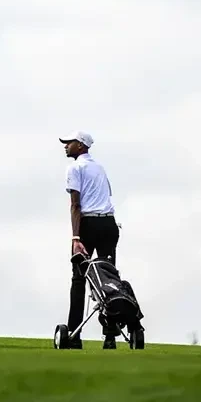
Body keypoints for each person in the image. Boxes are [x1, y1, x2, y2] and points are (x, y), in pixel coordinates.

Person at [59, 129, 133, 349]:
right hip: (109, 224)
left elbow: (75, 205)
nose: (65, 146)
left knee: (79, 278)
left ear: (80, 146)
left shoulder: (74, 168)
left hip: (89, 225)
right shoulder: (99, 167)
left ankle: (73, 334)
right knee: (108, 278)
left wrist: (75, 237)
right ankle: (110, 336)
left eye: (69, 142)